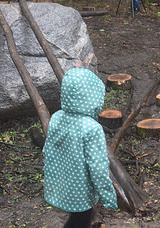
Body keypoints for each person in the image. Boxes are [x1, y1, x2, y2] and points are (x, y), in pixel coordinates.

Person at [43, 68, 118, 227]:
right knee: (81, 220)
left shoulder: (56, 117)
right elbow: (98, 167)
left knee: (77, 219)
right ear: (92, 97)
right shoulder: (91, 128)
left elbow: (48, 150)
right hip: (80, 192)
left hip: (60, 183)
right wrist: (108, 196)